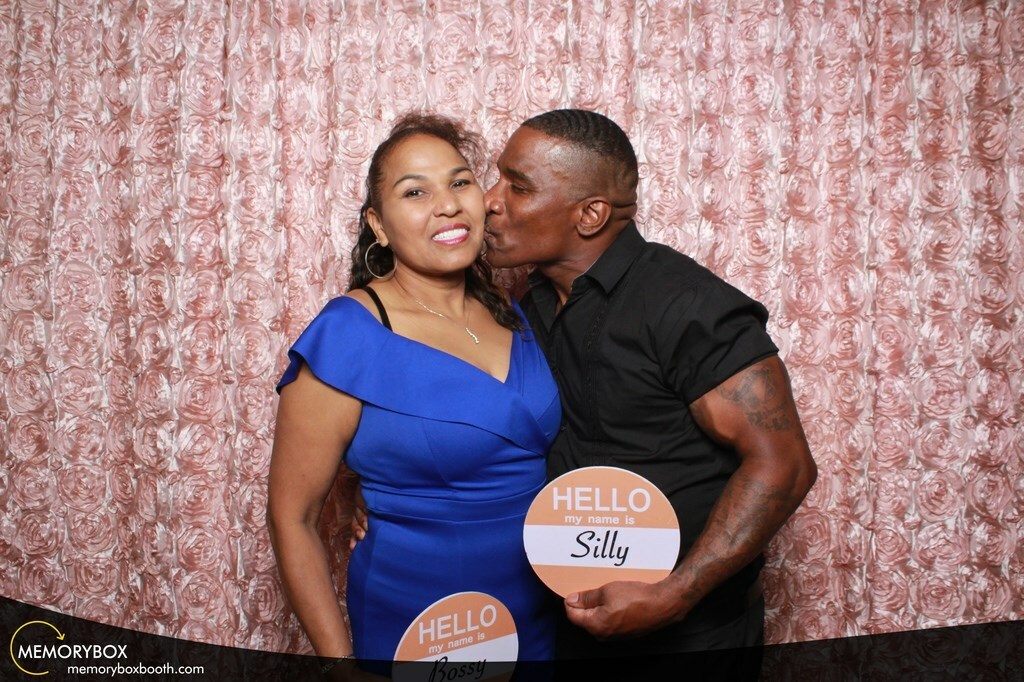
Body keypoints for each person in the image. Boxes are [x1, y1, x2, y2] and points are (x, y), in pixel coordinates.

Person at [481, 109, 818, 670]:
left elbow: (784, 464)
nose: (490, 201)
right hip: (568, 619)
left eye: (517, 187)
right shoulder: (527, 304)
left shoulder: (688, 305)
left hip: (691, 637)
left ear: (590, 214)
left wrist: (676, 594)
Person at [266, 113, 561, 679]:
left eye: (459, 182)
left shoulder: (513, 309)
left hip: (535, 617)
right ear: (378, 225)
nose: (447, 205)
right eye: (415, 192)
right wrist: (340, 667)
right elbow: (292, 516)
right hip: (418, 625)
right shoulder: (349, 333)